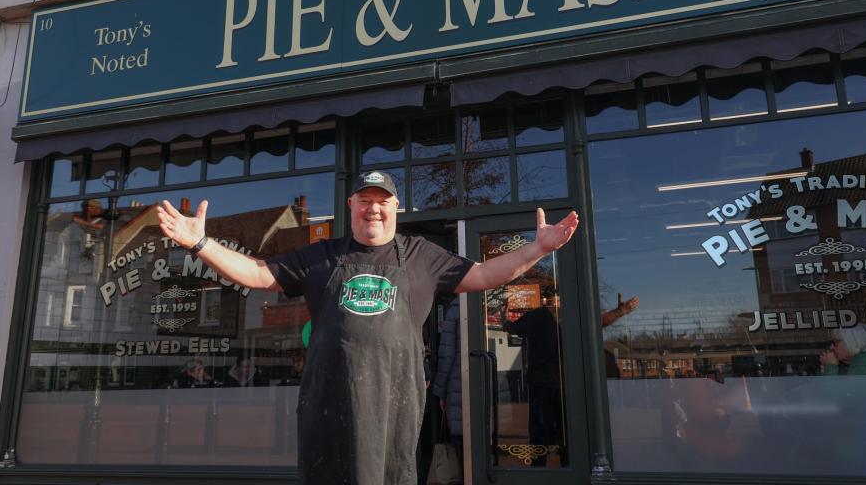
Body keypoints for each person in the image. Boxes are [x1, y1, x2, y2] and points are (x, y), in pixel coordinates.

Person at [157, 170, 578, 484]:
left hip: (394, 403)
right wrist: (199, 243)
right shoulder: (323, 256)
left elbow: (486, 275)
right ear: (351, 206)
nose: (373, 207)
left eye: (382, 200)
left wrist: (538, 249)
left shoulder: (421, 256)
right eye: (364, 199)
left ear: (395, 207)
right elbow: (256, 273)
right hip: (329, 401)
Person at [503, 289, 564, 466]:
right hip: (562, 379)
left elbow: (513, 328)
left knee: (540, 427)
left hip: (541, 379)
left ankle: (539, 467)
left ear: (544, 300)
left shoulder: (538, 316)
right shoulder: (568, 316)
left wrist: (505, 319)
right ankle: (567, 462)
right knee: (563, 426)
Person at [432, 297, 463, 464]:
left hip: (459, 390)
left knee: (460, 454)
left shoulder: (454, 311)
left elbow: (447, 355)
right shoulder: (489, 308)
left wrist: (439, 391)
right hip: (486, 392)